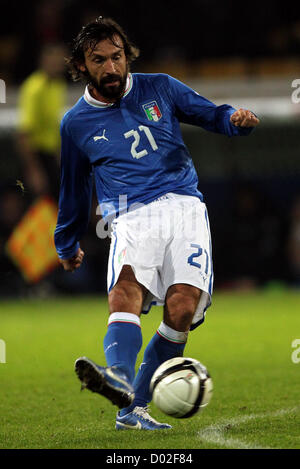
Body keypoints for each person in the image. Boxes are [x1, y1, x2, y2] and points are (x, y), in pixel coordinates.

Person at [54, 17, 259, 430]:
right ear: (81, 64)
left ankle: (134, 406)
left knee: (182, 309)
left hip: (184, 205)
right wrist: (66, 242)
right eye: (99, 60)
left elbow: (209, 113)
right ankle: (118, 378)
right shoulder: (75, 123)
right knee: (125, 288)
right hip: (130, 212)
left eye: (117, 57)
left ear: (127, 55)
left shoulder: (160, 87)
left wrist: (233, 121)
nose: (111, 68)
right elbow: (73, 189)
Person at [17, 43, 67, 201]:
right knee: (38, 209)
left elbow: (53, 125)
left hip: (51, 156)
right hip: (35, 157)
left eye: (60, 61)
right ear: (44, 61)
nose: (58, 65)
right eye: (54, 61)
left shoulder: (58, 85)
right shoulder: (33, 88)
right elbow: (23, 133)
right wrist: (34, 171)